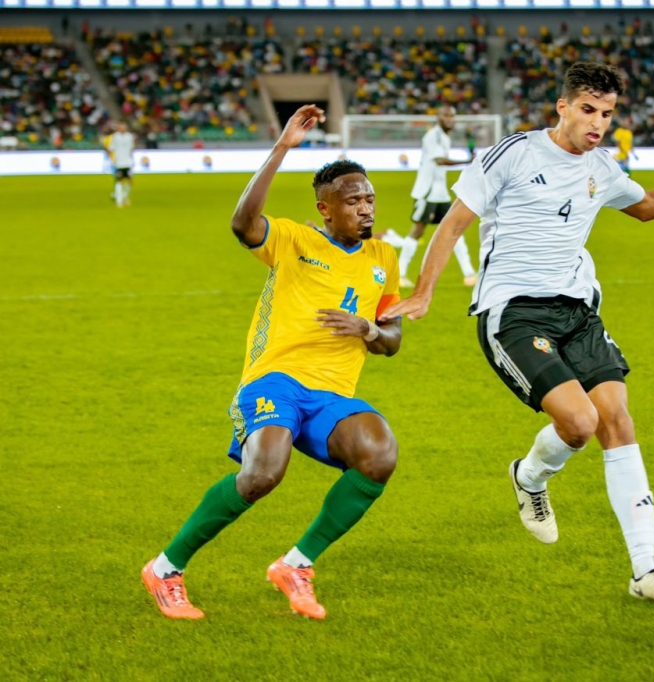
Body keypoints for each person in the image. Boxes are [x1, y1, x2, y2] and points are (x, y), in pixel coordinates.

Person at [382, 63, 654, 607]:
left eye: (607, 113)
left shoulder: (603, 168)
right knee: (579, 422)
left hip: (578, 310)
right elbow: (456, 221)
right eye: (588, 110)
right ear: (562, 107)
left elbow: (648, 207)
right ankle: (530, 477)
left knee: (616, 419)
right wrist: (424, 291)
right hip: (513, 314)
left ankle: (645, 570)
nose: (598, 124)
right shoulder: (514, 153)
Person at [142, 105, 403, 621]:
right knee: (262, 474)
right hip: (275, 380)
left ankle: (296, 565)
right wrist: (282, 148)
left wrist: (370, 329)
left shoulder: (383, 258)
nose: (366, 208)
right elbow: (243, 223)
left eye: (370, 198)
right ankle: (166, 568)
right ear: (326, 210)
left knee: (379, 454)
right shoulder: (294, 239)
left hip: (332, 394)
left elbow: (393, 339)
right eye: (353, 201)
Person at [398, 104, 477, 288]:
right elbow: (439, 160)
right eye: (446, 116)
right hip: (427, 192)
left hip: (441, 193)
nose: (450, 119)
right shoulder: (432, 136)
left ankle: (469, 274)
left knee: (455, 229)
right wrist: (467, 161)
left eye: (452, 116)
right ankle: (400, 274)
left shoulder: (444, 137)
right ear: (438, 117)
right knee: (418, 230)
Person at [105, 121, 135, 207]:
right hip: (119, 162)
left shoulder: (129, 136)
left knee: (130, 181)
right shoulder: (115, 137)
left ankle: (124, 196)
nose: (122, 128)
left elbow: (131, 148)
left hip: (128, 162)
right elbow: (109, 148)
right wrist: (111, 159)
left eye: (124, 126)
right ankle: (119, 201)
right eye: (121, 126)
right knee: (119, 180)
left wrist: (132, 159)